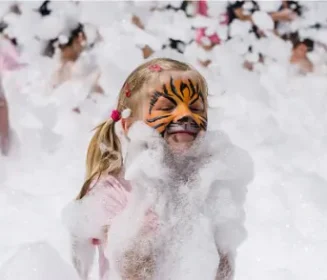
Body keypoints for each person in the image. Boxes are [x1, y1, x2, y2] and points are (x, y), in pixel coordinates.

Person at [67, 58, 251, 280]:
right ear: (128, 125)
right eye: (167, 107)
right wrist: (143, 225)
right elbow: (129, 271)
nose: (185, 115)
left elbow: (222, 272)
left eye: (195, 107)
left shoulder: (207, 182)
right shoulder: (113, 191)